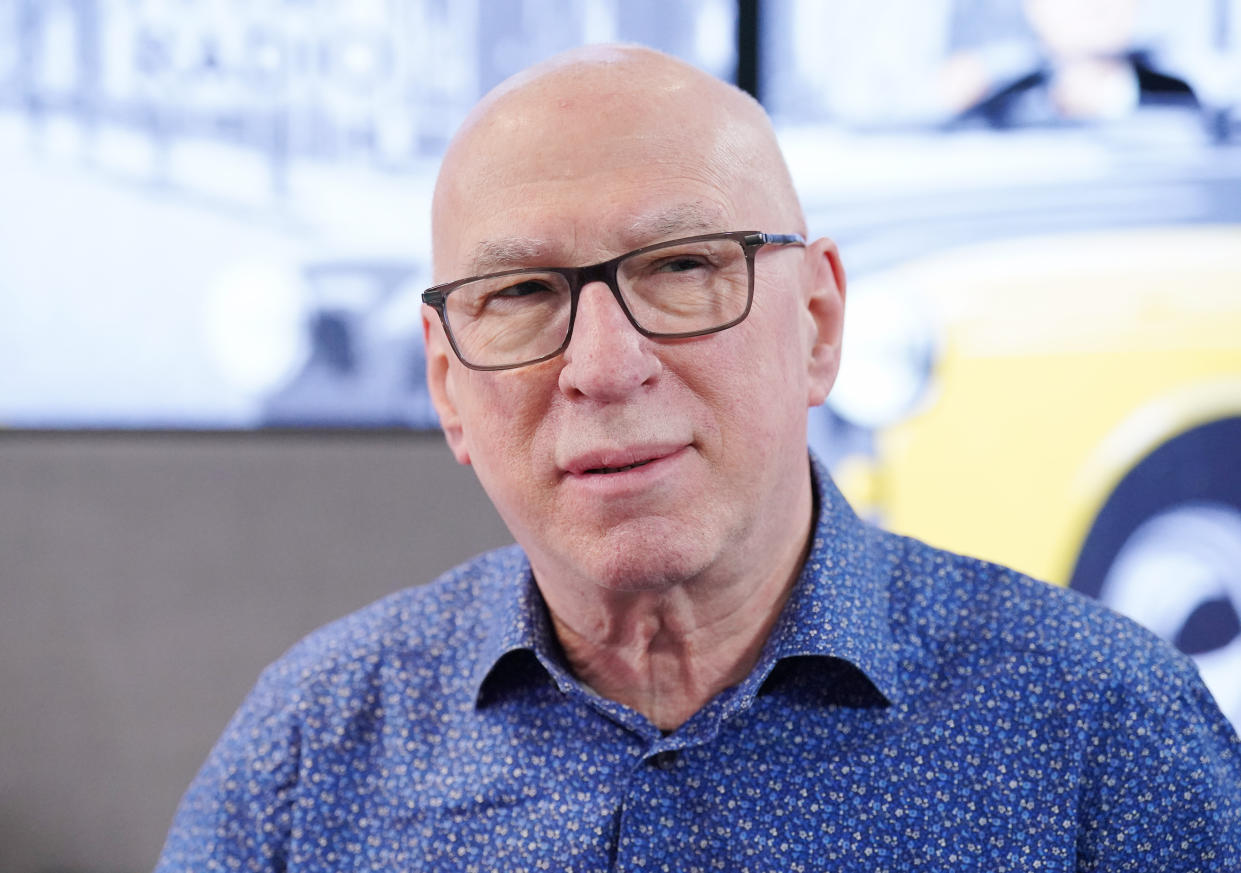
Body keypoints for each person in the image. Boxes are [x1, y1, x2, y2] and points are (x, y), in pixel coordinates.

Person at [156, 45, 1240, 871]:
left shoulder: (1099, 730)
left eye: (681, 267)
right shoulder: (311, 752)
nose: (602, 365)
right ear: (448, 386)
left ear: (816, 324)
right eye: (522, 294)